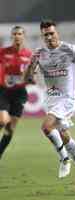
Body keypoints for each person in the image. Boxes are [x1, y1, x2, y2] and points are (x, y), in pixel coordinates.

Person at [23, 20, 75, 178]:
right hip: (51, 99)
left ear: (57, 32)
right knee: (64, 135)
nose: (50, 37)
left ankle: (64, 159)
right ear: (42, 36)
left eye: (52, 33)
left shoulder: (69, 49)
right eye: (46, 35)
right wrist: (31, 67)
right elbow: (27, 78)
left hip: (66, 99)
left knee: (46, 127)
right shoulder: (39, 53)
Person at [0, 26, 32, 159]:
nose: (17, 36)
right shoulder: (3, 52)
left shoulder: (29, 55)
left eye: (20, 34)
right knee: (2, 120)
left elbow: (31, 74)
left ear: (24, 36)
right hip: (4, 92)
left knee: (10, 128)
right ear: (11, 36)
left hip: (19, 93)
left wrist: (30, 77)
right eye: (15, 34)